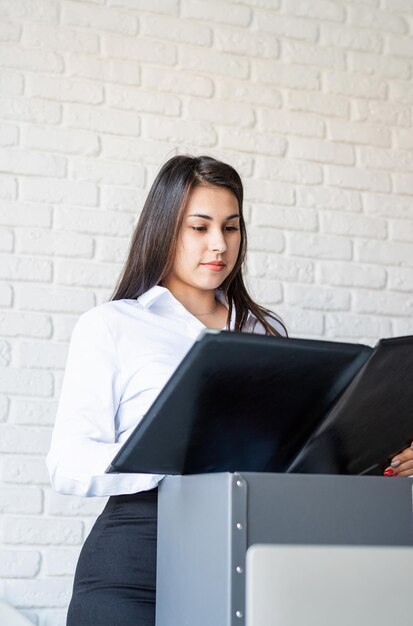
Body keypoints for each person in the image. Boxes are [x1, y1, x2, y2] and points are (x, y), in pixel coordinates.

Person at [46, 154, 286, 626]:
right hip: (135, 563)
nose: (219, 244)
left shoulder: (265, 331)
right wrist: (168, 453)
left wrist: (377, 457)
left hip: (245, 555)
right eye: (200, 227)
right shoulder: (113, 325)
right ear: (166, 229)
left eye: (231, 227)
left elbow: (293, 453)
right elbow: (67, 463)